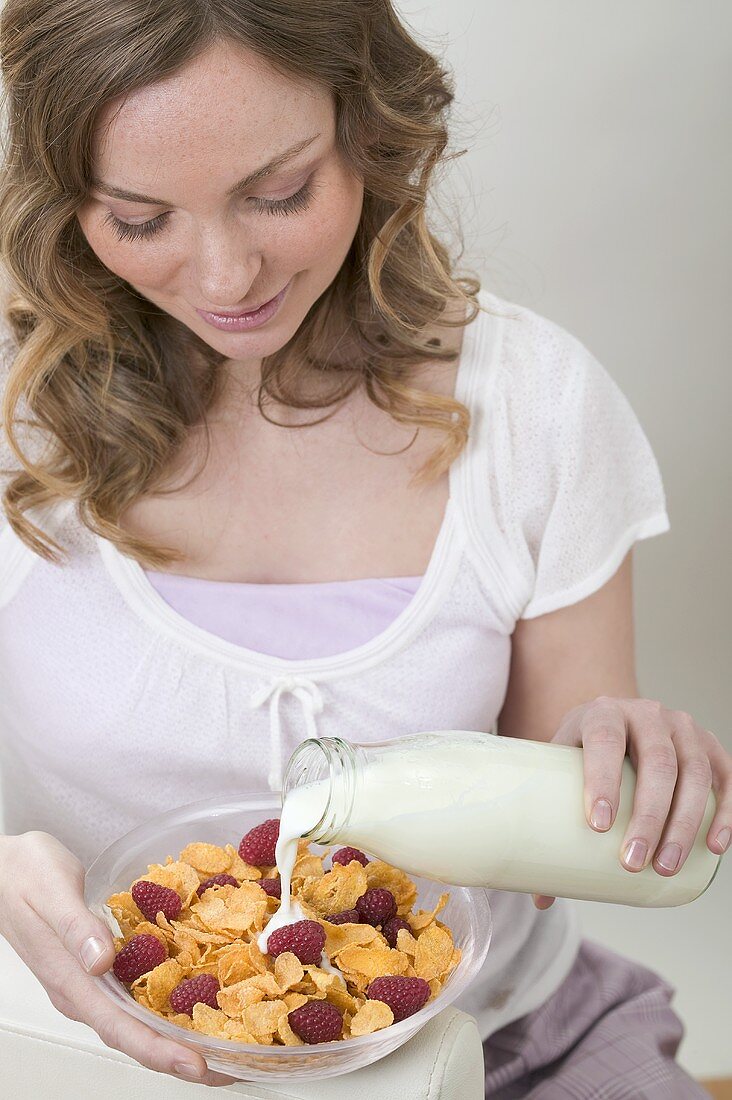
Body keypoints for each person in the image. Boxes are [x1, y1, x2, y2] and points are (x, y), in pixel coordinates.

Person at [0, 3, 728, 1096]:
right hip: (103, 1052)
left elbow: (553, 787)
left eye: (279, 192)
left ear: (370, 128)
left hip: (506, 1042)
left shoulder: (532, 401)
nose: (225, 276)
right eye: (142, 219)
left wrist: (615, 756)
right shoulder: (17, 412)